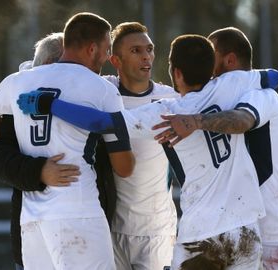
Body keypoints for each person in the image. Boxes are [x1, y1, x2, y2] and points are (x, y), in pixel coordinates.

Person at [17, 34, 278, 269]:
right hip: (247, 231)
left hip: (203, 234)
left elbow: (102, 122)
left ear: (176, 73)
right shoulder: (233, 84)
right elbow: (274, 76)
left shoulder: (167, 111)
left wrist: (49, 104)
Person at [0, 12, 135, 270]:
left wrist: (26, 133)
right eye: (105, 50)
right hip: (78, 210)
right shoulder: (101, 88)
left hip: (32, 218)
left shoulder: (18, 82)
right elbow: (124, 166)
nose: (106, 58)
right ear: (92, 48)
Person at [153, 27, 278, 270]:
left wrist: (195, 121)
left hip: (273, 229)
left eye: (212, 53)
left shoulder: (256, 94)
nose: (206, 63)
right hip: (268, 227)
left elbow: (241, 122)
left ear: (229, 60)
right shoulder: (238, 95)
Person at [0, 32, 82, 270]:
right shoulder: (21, 94)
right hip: (34, 235)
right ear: (50, 64)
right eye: (70, 61)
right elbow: (0, 157)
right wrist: (38, 170)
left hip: (87, 230)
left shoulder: (87, 92)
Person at [104, 22, 178, 270]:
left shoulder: (170, 99)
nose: (146, 56)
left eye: (149, 49)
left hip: (156, 230)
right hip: (110, 228)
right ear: (116, 60)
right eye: (136, 50)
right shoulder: (102, 93)